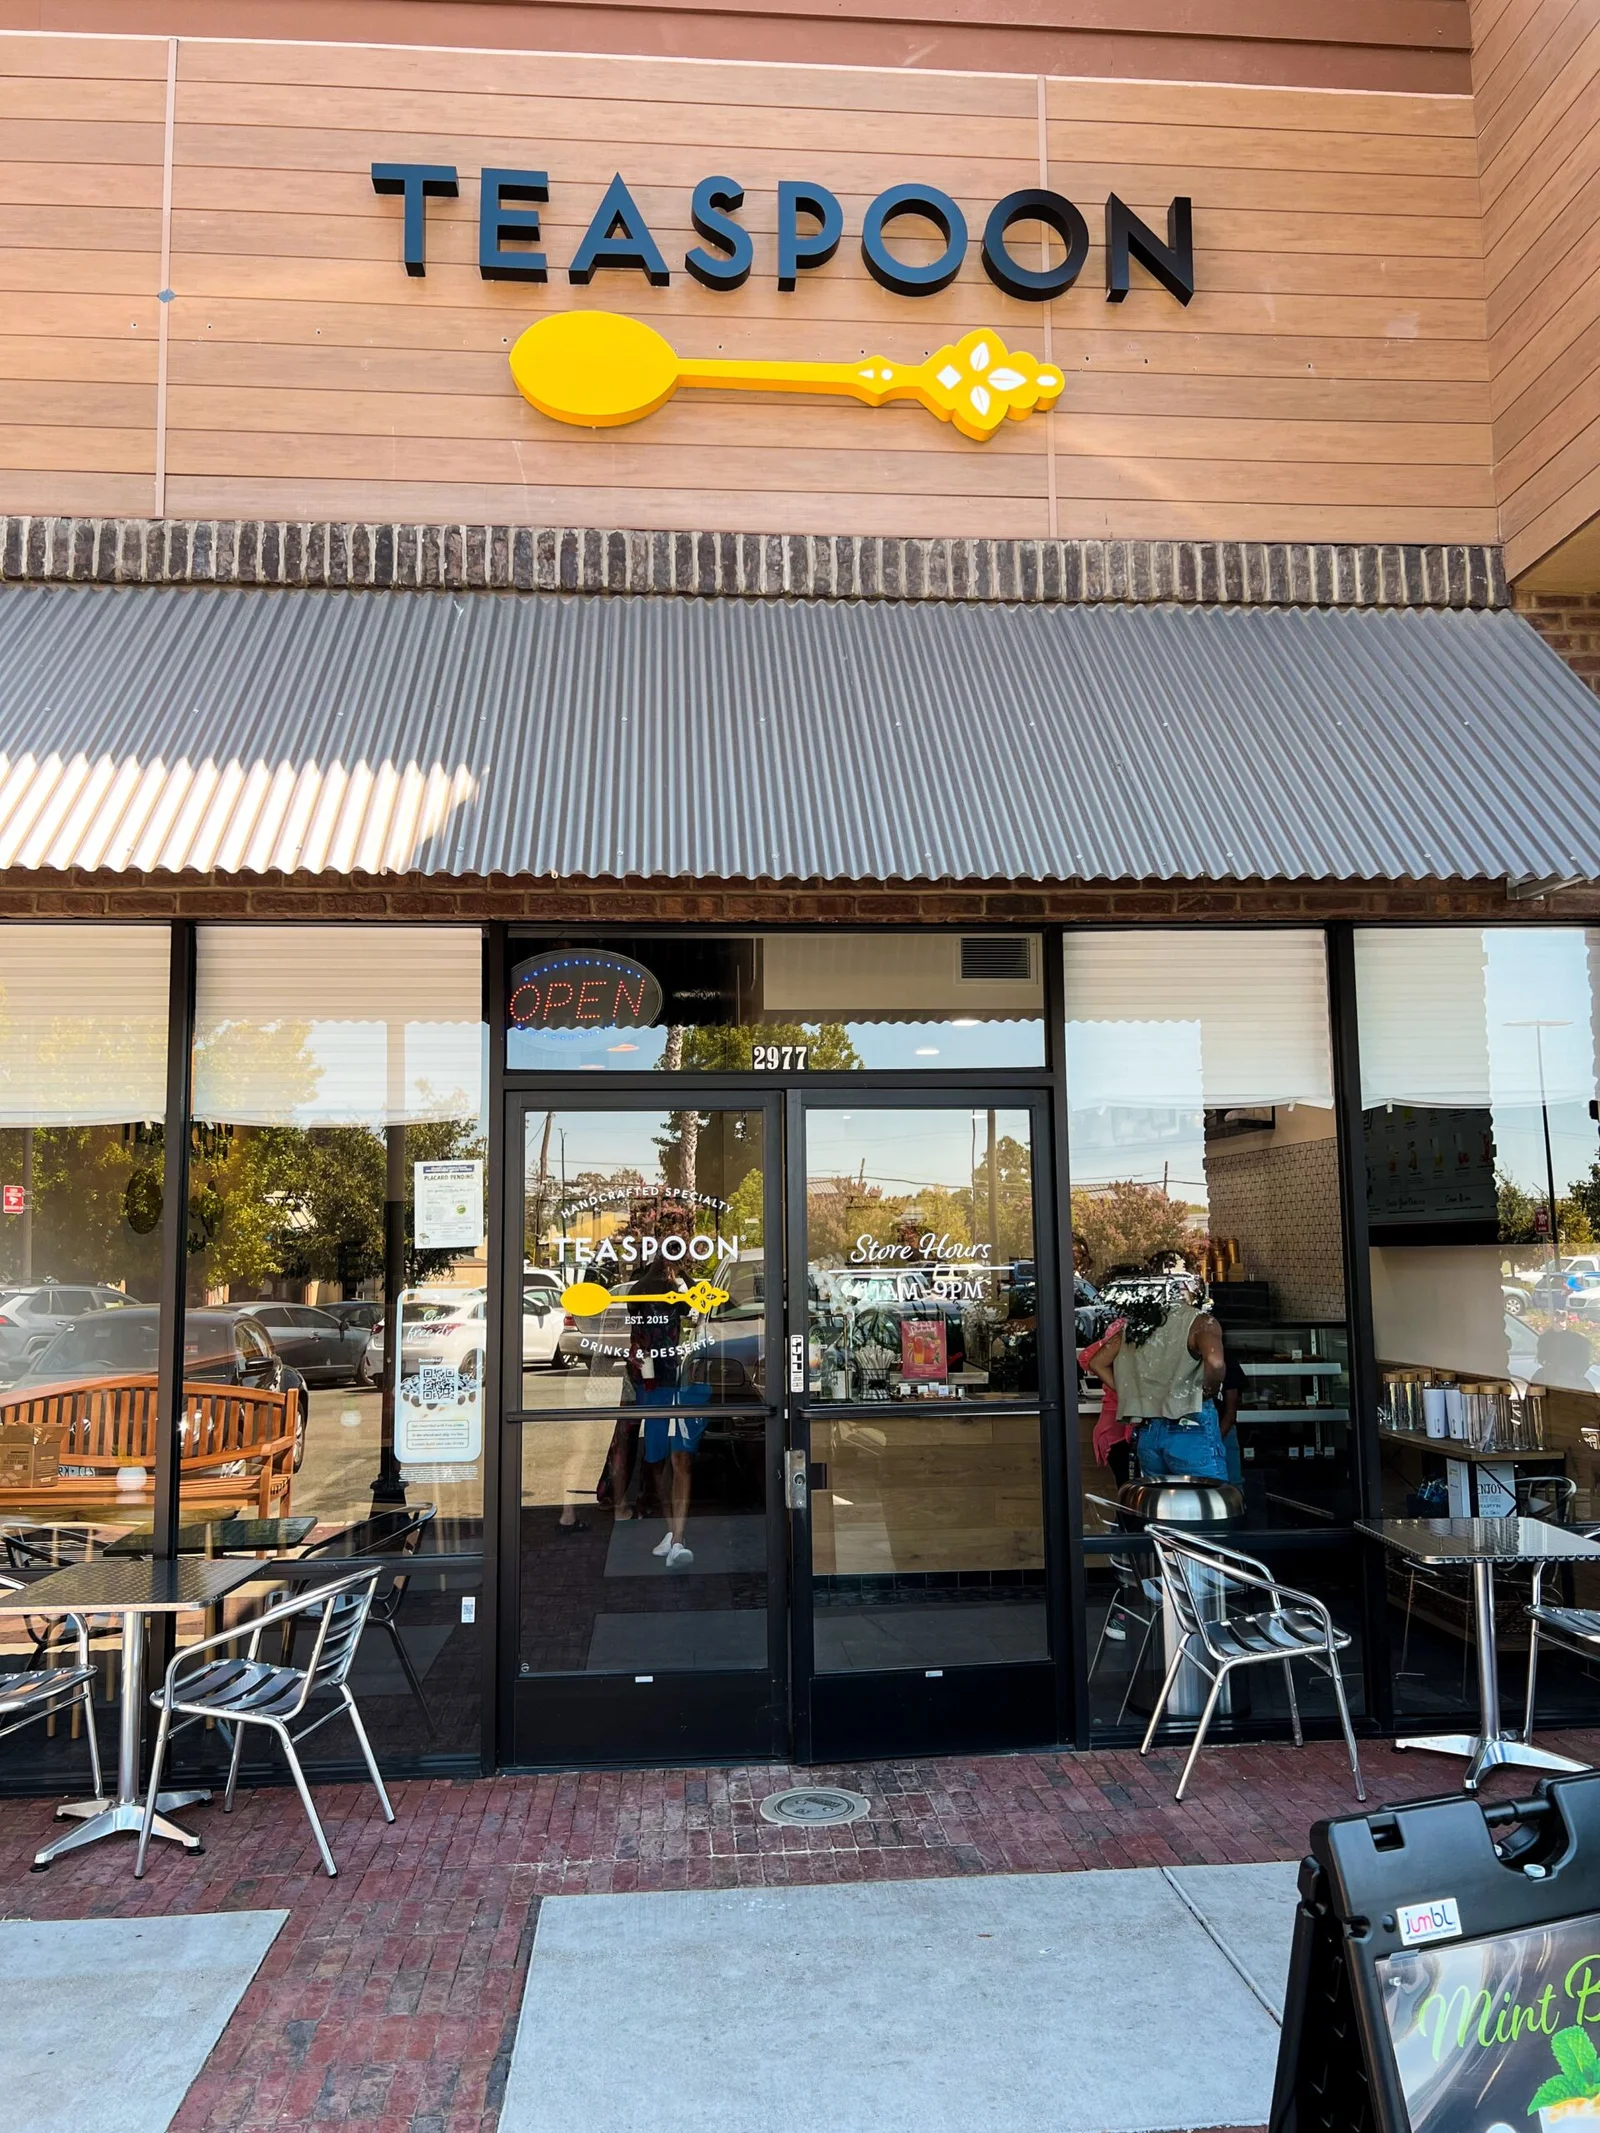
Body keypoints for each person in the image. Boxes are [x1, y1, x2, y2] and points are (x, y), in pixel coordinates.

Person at [1094, 1270, 1228, 1483]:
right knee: (1207, 1496)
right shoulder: (1201, 1322)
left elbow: (1097, 1362)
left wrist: (1131, 1393)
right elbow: (1216, 1363)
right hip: (1189, 1420)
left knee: (1161, 1499)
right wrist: (1207, 1391)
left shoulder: (1138, 1327)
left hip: (1149, 1428)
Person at [1080, 1316, 1132, 1487]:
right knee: (1129, 1489)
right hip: (1118, 1431)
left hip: (1123, 1428)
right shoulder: (1126, 1332)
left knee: (1129, 1489)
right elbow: (1088, 1359)